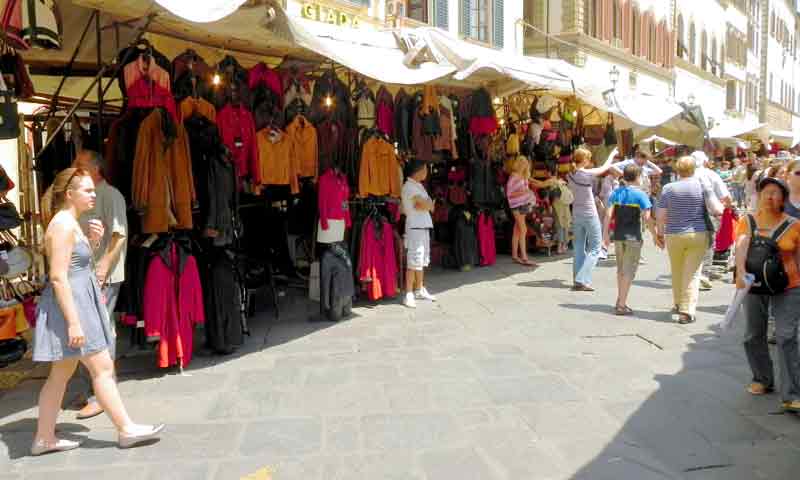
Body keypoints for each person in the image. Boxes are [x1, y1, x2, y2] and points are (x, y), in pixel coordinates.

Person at [31, 168, 163, 456]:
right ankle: (126, 429)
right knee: (102, 369)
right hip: (74, 308)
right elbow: (58, 277)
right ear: (70, 194)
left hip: (77, 305)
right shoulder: (63, 225)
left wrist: (91, 242)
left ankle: (43, 438)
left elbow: (76, 268)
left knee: (60, 375)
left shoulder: (70, 222)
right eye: (88, 190)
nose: (94, 194)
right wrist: (75, 324)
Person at [70, 150, 128, 420]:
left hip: (102, 275)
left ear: (96, 169)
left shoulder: (111, 195)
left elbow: (119, 235)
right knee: (89, 329)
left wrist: (104, 267)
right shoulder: (87, 196)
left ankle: (101, 394)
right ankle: (93, 389)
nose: (75, 168)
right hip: (86, 274)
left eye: (80, 165)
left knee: (101, 331)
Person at [735, 176, 800, 412]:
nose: (770, 197)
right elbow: (741, 246)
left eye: (775, 192)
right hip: (753, 284)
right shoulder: (748, 221)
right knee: (753, 334)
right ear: (759, 195)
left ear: (783, 198)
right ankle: (762, 378)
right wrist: (741, 272)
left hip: (789, 285)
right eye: (766, 192)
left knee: (786, 336)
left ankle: (792, 393)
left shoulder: (794, 224)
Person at [655, 156, 716, 324]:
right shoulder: (702, 186)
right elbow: (716, 208)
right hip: (697, 233)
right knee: (693, 273)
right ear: (694, 169)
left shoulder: (668, 188)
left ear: (677, 169)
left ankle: (677, 303)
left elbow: (660, 215)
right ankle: (687, 311)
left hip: (674, 234)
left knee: (677, 270)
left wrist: (659, 234)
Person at [602, 165, 654, 315]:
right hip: (633, 236)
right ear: (638, 177)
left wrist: (605, 234)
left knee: (621, 270)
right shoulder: (640, 195)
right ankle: (622, 304)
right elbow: (647, 217)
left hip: (618, 236)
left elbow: (608, 214)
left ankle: (620, 299)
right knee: (629, 271)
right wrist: (655, 235)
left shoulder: (616, 193)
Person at [568, 147, 615, 291]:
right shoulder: (586, 174)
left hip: (576, 213)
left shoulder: (570, 174)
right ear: (585, 160)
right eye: (588, 158)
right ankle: (582, 279)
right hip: (589, 213)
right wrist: (612, 154)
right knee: (595, 247)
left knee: (578, 247)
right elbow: (605, 167)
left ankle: (577, 280)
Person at [692, 151, 732, 289]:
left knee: (693, 244)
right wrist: (727, 207)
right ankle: (703, 273)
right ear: (704, 161)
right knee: (708, 243)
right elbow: (725, 195)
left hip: (688, 214)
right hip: (710, 213)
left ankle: (693, 273)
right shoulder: (711, 174)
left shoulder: (684, 175)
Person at [506, 156, 552, 266]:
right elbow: (509, 194)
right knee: (523, 229)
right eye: (522, 163)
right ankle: (524, 257)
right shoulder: (514, 176)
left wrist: (551, 181)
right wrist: (524, 192)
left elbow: (538, 184)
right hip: (516, 205)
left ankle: (515, 256)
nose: (524, 165)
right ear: (518, 164)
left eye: (525, 164)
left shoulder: (524, 176)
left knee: (517, 230)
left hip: (523, 204)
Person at [401, 160, 436, 309]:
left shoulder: (419, 186)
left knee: (421, 261)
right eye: (425, 169)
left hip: (422, 226)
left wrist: (427, 204)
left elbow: (429, 206)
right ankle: (408, 293)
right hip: (415, 227)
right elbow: (425, 204)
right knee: (413, 262)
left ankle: (419, 289)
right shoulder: (409, 187)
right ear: (418, 171)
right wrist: (427, 204)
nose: (426, 172)